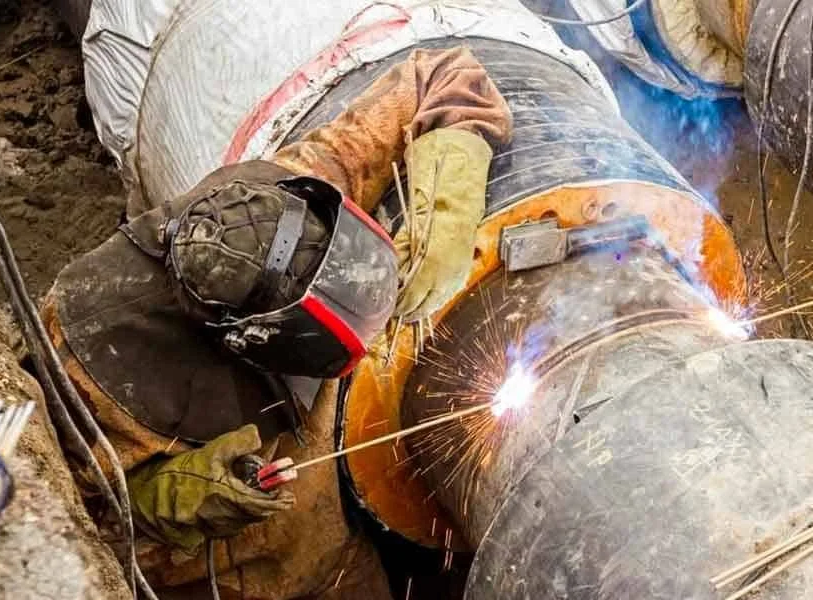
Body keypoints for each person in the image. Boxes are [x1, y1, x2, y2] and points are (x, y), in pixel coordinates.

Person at [42, 47, 511, 598]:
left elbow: (442, 70)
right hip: (245, 579)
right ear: (251, 339)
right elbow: (83, 513)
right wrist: (191, 491)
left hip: (335, 550)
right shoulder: (92, 367)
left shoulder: (281, 199)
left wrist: (447, 200)